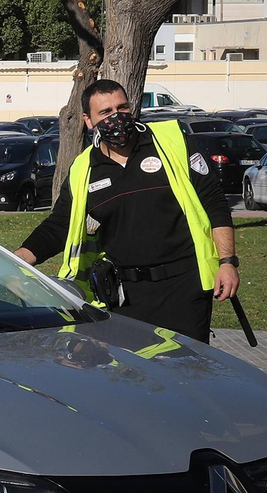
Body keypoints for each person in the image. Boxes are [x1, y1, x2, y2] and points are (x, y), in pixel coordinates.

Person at [13, 79, 238, 343]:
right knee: (132, 375)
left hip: (184, 287)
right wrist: (15, 260)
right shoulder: (83, 168)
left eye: (122, 108)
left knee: (186, 373)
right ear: (88, 120)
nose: (116, 117)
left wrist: (227, 262)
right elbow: (59, 225)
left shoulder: (171, 143)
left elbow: (214, 202)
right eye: (105, 112)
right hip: (123, 294)